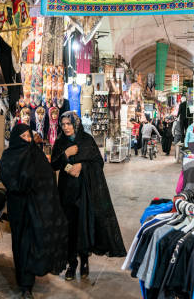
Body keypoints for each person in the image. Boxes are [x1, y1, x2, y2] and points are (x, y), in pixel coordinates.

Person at [51, 111, 127, 281]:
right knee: (69, 228)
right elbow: (53, 165)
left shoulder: (87, 140)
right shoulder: (60, 142)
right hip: (67, 193)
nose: (66, 127)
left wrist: (81, 167)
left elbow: (98, 163)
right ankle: (72, 264)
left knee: (83, 226)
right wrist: (66, 156)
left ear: (75, 124)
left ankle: (84, 261)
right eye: (63, 124)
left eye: (69, 124)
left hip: (85, 192)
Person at [0, 124, 69, 298]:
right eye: (23, 137)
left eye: (29, 136)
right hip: (17, 207)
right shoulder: (9, 155)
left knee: (30, 242)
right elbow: (1, 172)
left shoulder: (37, 155)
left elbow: (48, 177)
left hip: (35, 207)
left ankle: (28, 283)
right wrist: (18, 184)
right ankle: (23, 281)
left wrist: (35, 187)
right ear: (15, 139)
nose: (28, 140)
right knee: (19, 244)